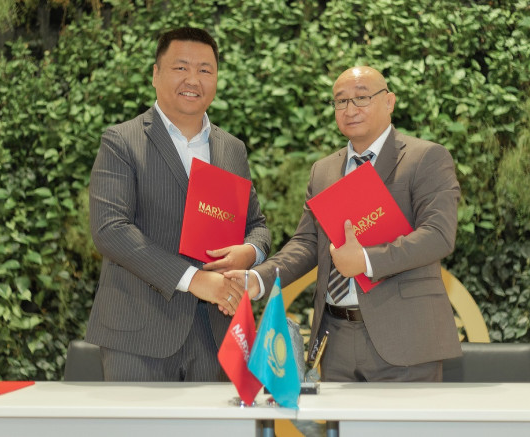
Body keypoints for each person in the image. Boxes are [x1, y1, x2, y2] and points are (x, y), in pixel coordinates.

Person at [228, 66, 461, 382]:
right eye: (341, 101)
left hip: (406, 338)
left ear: (389, 101)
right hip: (334, 339)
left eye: (361, 97)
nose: (350, 109)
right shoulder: (323, 171)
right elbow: (307, 243)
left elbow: (437, 235)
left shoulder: (425, 158)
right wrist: (258, 278)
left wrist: (365, 260)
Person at [85, 27, 271, 381]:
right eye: (180, 67)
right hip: (138, 335)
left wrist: (250, 251)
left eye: (205, 70)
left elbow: (257, 226)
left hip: (215, 335)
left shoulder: (232, 149)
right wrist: (194, 279)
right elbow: (111, 230)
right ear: (155, 74)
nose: (193, 79)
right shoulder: (122, 141)